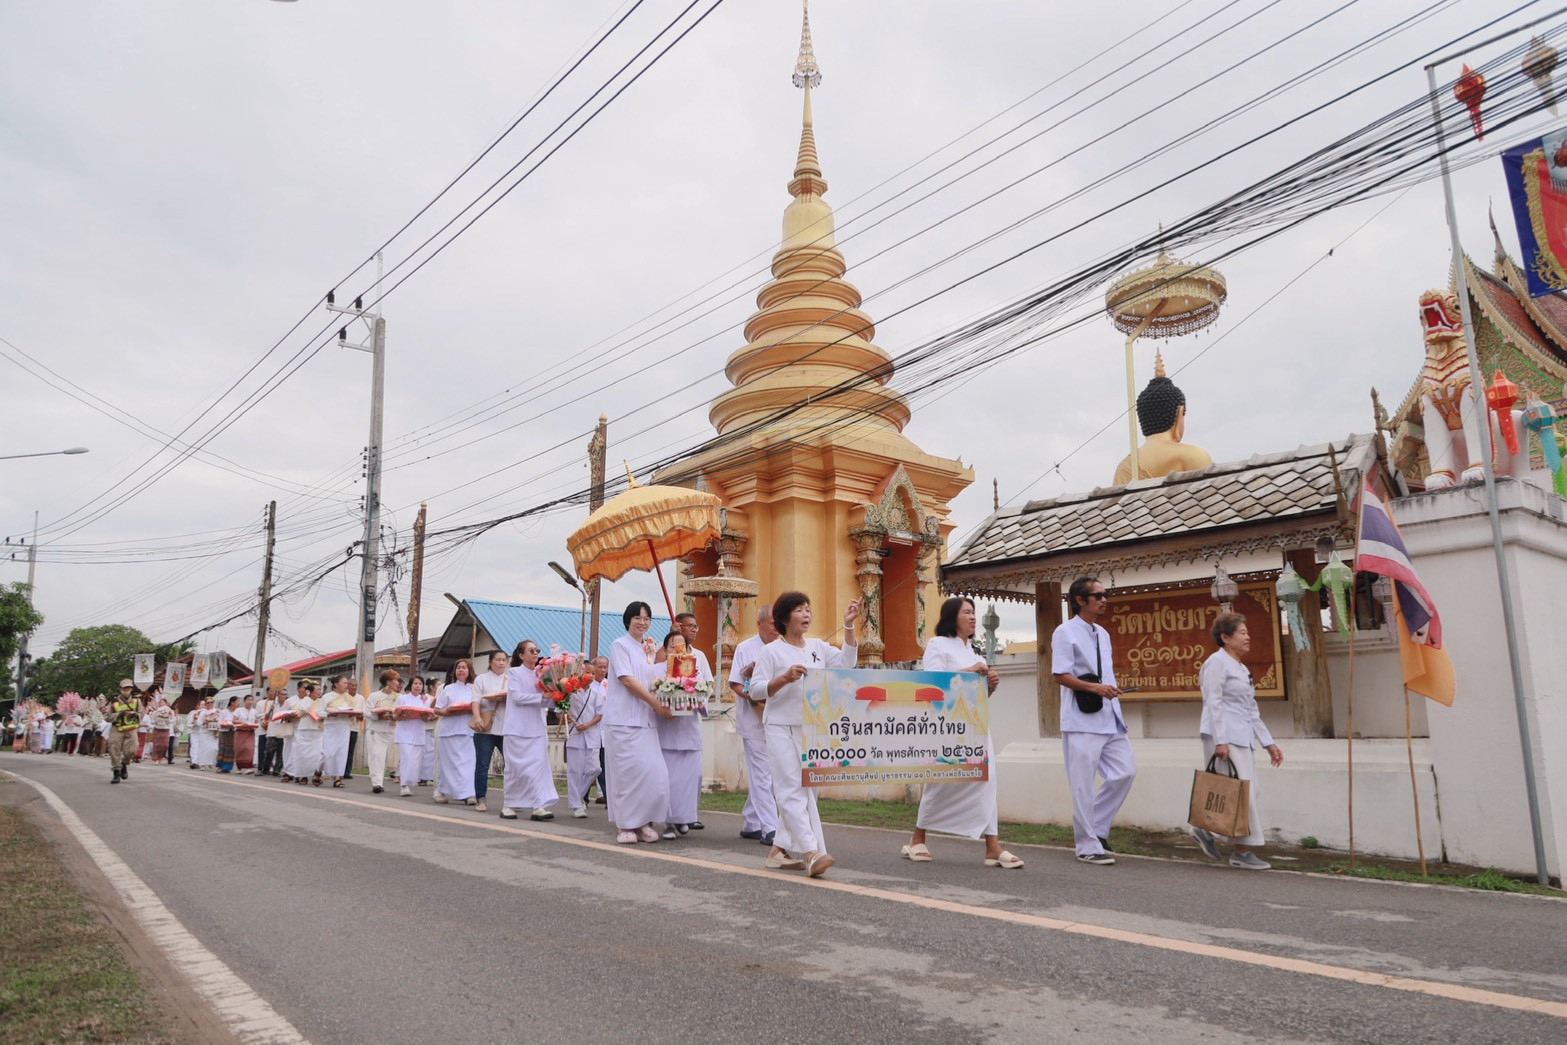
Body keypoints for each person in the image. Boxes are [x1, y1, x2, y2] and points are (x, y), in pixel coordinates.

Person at [901, 597, 1021, 869]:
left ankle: (992, 846)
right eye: (966, 612)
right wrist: (970, 672)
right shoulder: (937, 645)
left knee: (986, 778)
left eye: (973, 612)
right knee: (940, 781)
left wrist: (990, 685)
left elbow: (977, 696)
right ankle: (918, 838)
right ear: (952, 616)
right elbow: (932, 685)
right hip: (946, 726)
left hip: (976, 727)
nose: (972, 617)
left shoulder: (975, 652)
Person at [751, 592, 861, 878]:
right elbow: (756, 689)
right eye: (800, 609)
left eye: (808, 609)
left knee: (810, 789)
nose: (807, 614)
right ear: (785, 618)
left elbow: (847, 663)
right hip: (779, 727)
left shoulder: (818, 647)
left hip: (812, 728)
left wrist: (848, 625)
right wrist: (784, 678)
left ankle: (778, 851)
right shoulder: (771, 651)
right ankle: (813, 853)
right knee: (790, 788)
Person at [1050, 575, 1136, 866]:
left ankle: (1097, 831)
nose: (1103, 600)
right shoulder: (1065, 632)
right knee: (1082, 785)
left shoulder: (1103, 633)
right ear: (1080, 601)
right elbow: (1060, 675)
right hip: (1081, 719)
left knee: (1125, 772)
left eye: (1104, 595)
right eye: (1097, 596)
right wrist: (1095, 688)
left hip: (1110, 717)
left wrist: (1108, 689)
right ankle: (1086, 845)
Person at [1191, 612, 1285, 871]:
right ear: (1225, 637)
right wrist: (1221, 742)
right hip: (1223, 737)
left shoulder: (1241, 668)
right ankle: (1240, 851)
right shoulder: (1216, 663)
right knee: (1241, 793)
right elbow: (1214, 702)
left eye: (1247, 632)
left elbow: (1250, 708)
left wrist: (1269, 743)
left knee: (1249, 791)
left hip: (1242, 735)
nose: (1248, 637)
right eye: (1242, 633)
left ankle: (1206, 828)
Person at [604, 602, 673, 844]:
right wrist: (656, 704)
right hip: (623, 721)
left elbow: (655, 676)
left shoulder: (648, 650)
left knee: (655, 776)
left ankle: (643, 822)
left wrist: (675, 651)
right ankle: (626, 825)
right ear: (628, 620)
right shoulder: (619, 645)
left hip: (645, 722)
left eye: (646, 618)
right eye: (637, 617)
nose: (642, 622)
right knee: (626, 777)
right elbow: (628, 680)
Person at [728, 604, 778, 847]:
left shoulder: (784, 647)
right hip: (753, 721)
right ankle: (770, 828)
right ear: (760, 624)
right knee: (762, 775)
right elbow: (736, 684)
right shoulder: (745, 648)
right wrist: (756, 698)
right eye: (771, 623)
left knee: (769, 775)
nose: (776, 628)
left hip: (779, 720)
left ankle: (751, 823)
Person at [656, 629, 706, 839]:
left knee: (689, 780)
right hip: (666, 734)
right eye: (672, 647)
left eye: (681, 646)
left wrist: (696, 699)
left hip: (689, 732)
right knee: (668, 781)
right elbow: (651, 697)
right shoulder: (657, 671)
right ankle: (668, 823)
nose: (677, 650)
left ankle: (683, 817)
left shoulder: (695, 671)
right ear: (665, 650)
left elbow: (705, 696)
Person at [503, 640, 557, 821]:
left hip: (537, 728)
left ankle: (538, 805)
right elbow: (517, 697)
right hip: (517, 728)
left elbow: (546, 702)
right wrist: (543, 696)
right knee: (516, 769)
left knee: (538, 769)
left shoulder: (542, 675)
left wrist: (559, 696)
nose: (535, 653)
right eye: (531, 650)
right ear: (521, 655)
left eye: (537, 650)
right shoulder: (514, 672)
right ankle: (509, 804)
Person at [470, 651, 509, 812]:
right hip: (485, 728)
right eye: (498, 660)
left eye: (504, 660)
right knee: (482, 764)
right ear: (490, 661)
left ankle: (513, 798)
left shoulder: (510, 679)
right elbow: (475, 700)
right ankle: (481, 798)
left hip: (506, 726)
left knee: (512, 764)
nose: (501, 663)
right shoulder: (481, 679)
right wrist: (477, 717)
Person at [435, 660, 478, 806]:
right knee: (448, 764)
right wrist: (449, 712)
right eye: (458, 667)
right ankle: (442, 790)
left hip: (468, 731)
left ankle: (468, 793)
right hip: (449, 731)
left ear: (469, 670)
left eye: (464, 668)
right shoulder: (448, 689)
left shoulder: (475, 688)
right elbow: (437, 709)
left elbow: (482, 706)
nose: (461, 670)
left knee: (468, 763)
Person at [564, 661, 605, 817]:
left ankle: (577, 797)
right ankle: (576, 805)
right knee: (575, 771)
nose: (590, 676)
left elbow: (600, 715)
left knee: (595, 768)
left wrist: (587, 725)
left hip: (592, 736)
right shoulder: (569, 692)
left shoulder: (596, 694)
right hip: (575, 736)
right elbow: (561, 711)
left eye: (593, 674)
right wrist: (564, 716)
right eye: (588, 672)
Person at [321, 675, 363, 788]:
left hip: (344, 727)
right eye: (344, 683)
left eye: (347, 683)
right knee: (327, 752)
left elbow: (354, 711)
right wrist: (329, 714)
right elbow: (319, 712)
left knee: (341, 753)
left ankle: (338, 778)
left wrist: (353, 714)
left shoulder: (349, 697)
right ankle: (318, 772)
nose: (346, 685)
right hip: (330, 727)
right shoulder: (327, 697)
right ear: (336, 684)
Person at [392, 672, 430, 797]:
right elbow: (394, 716)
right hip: (404, 733)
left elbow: (427, 718)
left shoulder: (425, 700)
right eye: (415, 683)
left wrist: (426, 716)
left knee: (414, 761)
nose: (417, 686)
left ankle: (409, 783)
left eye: (420, 684)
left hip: (418, 733)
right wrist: (403, 715)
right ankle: (403, 785)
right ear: (411, 685)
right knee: (406, 758)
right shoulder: (402, 698)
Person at [364, 672, 400, 793]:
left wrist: (394, 716)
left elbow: (401, 713)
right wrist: (379, 717)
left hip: (391, 730)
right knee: (377, 756)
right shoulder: (374, 696)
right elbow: (367, 712)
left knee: (386, 758)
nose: (398, 683)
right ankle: (377, 783)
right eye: (395, 680)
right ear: (388, 682)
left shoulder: (399, 697)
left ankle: (380, 780)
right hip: (376, 730)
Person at [289, 682, 325, 786]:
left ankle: (316, 774)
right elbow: (303, 709)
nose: (320, 692)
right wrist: (309, 698)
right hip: (305, 730)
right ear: (310, 691)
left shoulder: (322, 701)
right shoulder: (304, 700)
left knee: (317, 754)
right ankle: (302, 775)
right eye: (317, 690)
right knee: (303, 755)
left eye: (320, 689)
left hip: (318, 730)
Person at [106, 682, 140, 784]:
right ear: (120, 689)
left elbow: (142, 713)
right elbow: (107, 716)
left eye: (129, 688)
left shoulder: (137, 701)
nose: (127, 690)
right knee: (114, 749)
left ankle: (124, 763)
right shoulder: (113, 701)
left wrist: (136, 715)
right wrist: (119, 715)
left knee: (132, 750)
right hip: (117, 728)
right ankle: (116, 771)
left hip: (131, 728)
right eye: (124, 688)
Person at [588, 656, 609, 804]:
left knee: (604, 766)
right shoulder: (588, 685)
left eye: (605, 667)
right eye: (600, 667)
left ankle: (607, 796)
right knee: (590, 766)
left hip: (605, 731)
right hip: (590, 730)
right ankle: (583, 796)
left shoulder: (608, 685)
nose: (602, 670)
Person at [412, 676, 438, 788]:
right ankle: (421, 776)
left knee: (432, 754)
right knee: (424, 754)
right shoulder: (425, 698)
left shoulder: (437, 697)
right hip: (425, 727)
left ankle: (429, 776)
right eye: (438, 685)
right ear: (432, 686)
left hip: (434, 728)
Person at [269, 685, 299, 780]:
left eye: (286, 694)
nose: (284, 696)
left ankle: (278, 770)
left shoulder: (288, 703)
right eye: (282, 694)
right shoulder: (273, 704)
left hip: (285, 729)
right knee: (270, 751)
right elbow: (269, 718)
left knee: (282, 751)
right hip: (273, 730)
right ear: (278, 695)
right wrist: (271, 710)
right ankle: (265, 768)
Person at [149, 692, 176, 763]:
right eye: (161, 702)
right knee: (157, 744)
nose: (162, 703)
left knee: (165, 744)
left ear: (166, 703)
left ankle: (161, 757)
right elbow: (152, 719)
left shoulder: (170, 711)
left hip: (165, 729)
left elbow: (173, 719)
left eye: (163, 702)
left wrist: (168, 720)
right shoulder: (156, 711)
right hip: (157, 728)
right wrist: (156, 721)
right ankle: (156, 759)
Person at [342, 676, 361, 779]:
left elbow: (364, 714)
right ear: (348, 686)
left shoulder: (360, 698)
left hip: (354, 727)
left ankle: (347, 771)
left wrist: (358, 715)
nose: (354, 687)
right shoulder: (343, 696)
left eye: (356, 685)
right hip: (343, 727)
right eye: (352, 685)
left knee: (350, 750)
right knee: (342, 749)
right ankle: (339, 770)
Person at [233, 694, 258, 773]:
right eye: (248, 700)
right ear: (244, 701)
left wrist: (254, 725)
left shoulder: (255, 711)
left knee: (249, 749)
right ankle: (239, 768)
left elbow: (257, 721)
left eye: (251, 700)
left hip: (250, 732)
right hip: (240, 732)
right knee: (240, 749)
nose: (249, 702)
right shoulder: (239, 710)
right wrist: (241, 722)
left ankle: (248, 767)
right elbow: (234, 720)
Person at [215, 696, 239, 773]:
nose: (238, 703)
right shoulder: (224, 711)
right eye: (237, 701)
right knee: (222, 748)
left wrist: (233, 726)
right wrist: (225, 724)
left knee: (230, 750)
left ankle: (227, 767)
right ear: (232, 702)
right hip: (224, 732)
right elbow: (219, 722)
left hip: (232, 733)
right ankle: (220, 766)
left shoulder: (237, 712)